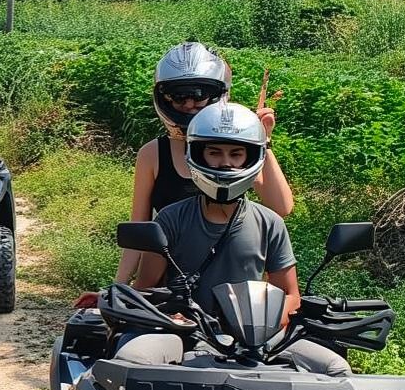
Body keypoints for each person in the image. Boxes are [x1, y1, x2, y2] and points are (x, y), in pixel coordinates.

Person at [122, 102, 349, 377]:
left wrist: (262, 326)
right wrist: (170, 315)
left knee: (335, 367)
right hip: (185, 333)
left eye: (236, 154)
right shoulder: (171, 219)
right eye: (214, 153)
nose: (225, 162)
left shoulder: (270, 222)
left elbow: (290, 294)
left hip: (259, 340)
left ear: (251, 158)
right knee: (131, 360)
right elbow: (146, 289)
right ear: (198, 155)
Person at [114, 42, 294, 285]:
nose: (189, 106)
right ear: (164, 98)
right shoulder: (153, 154)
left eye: (200, 97)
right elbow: (139, 227)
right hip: (168, 290)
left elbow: (280, 207)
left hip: (234, 285)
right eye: (179, 98)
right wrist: (120, 287)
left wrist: (263, 141)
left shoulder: (233, 150)